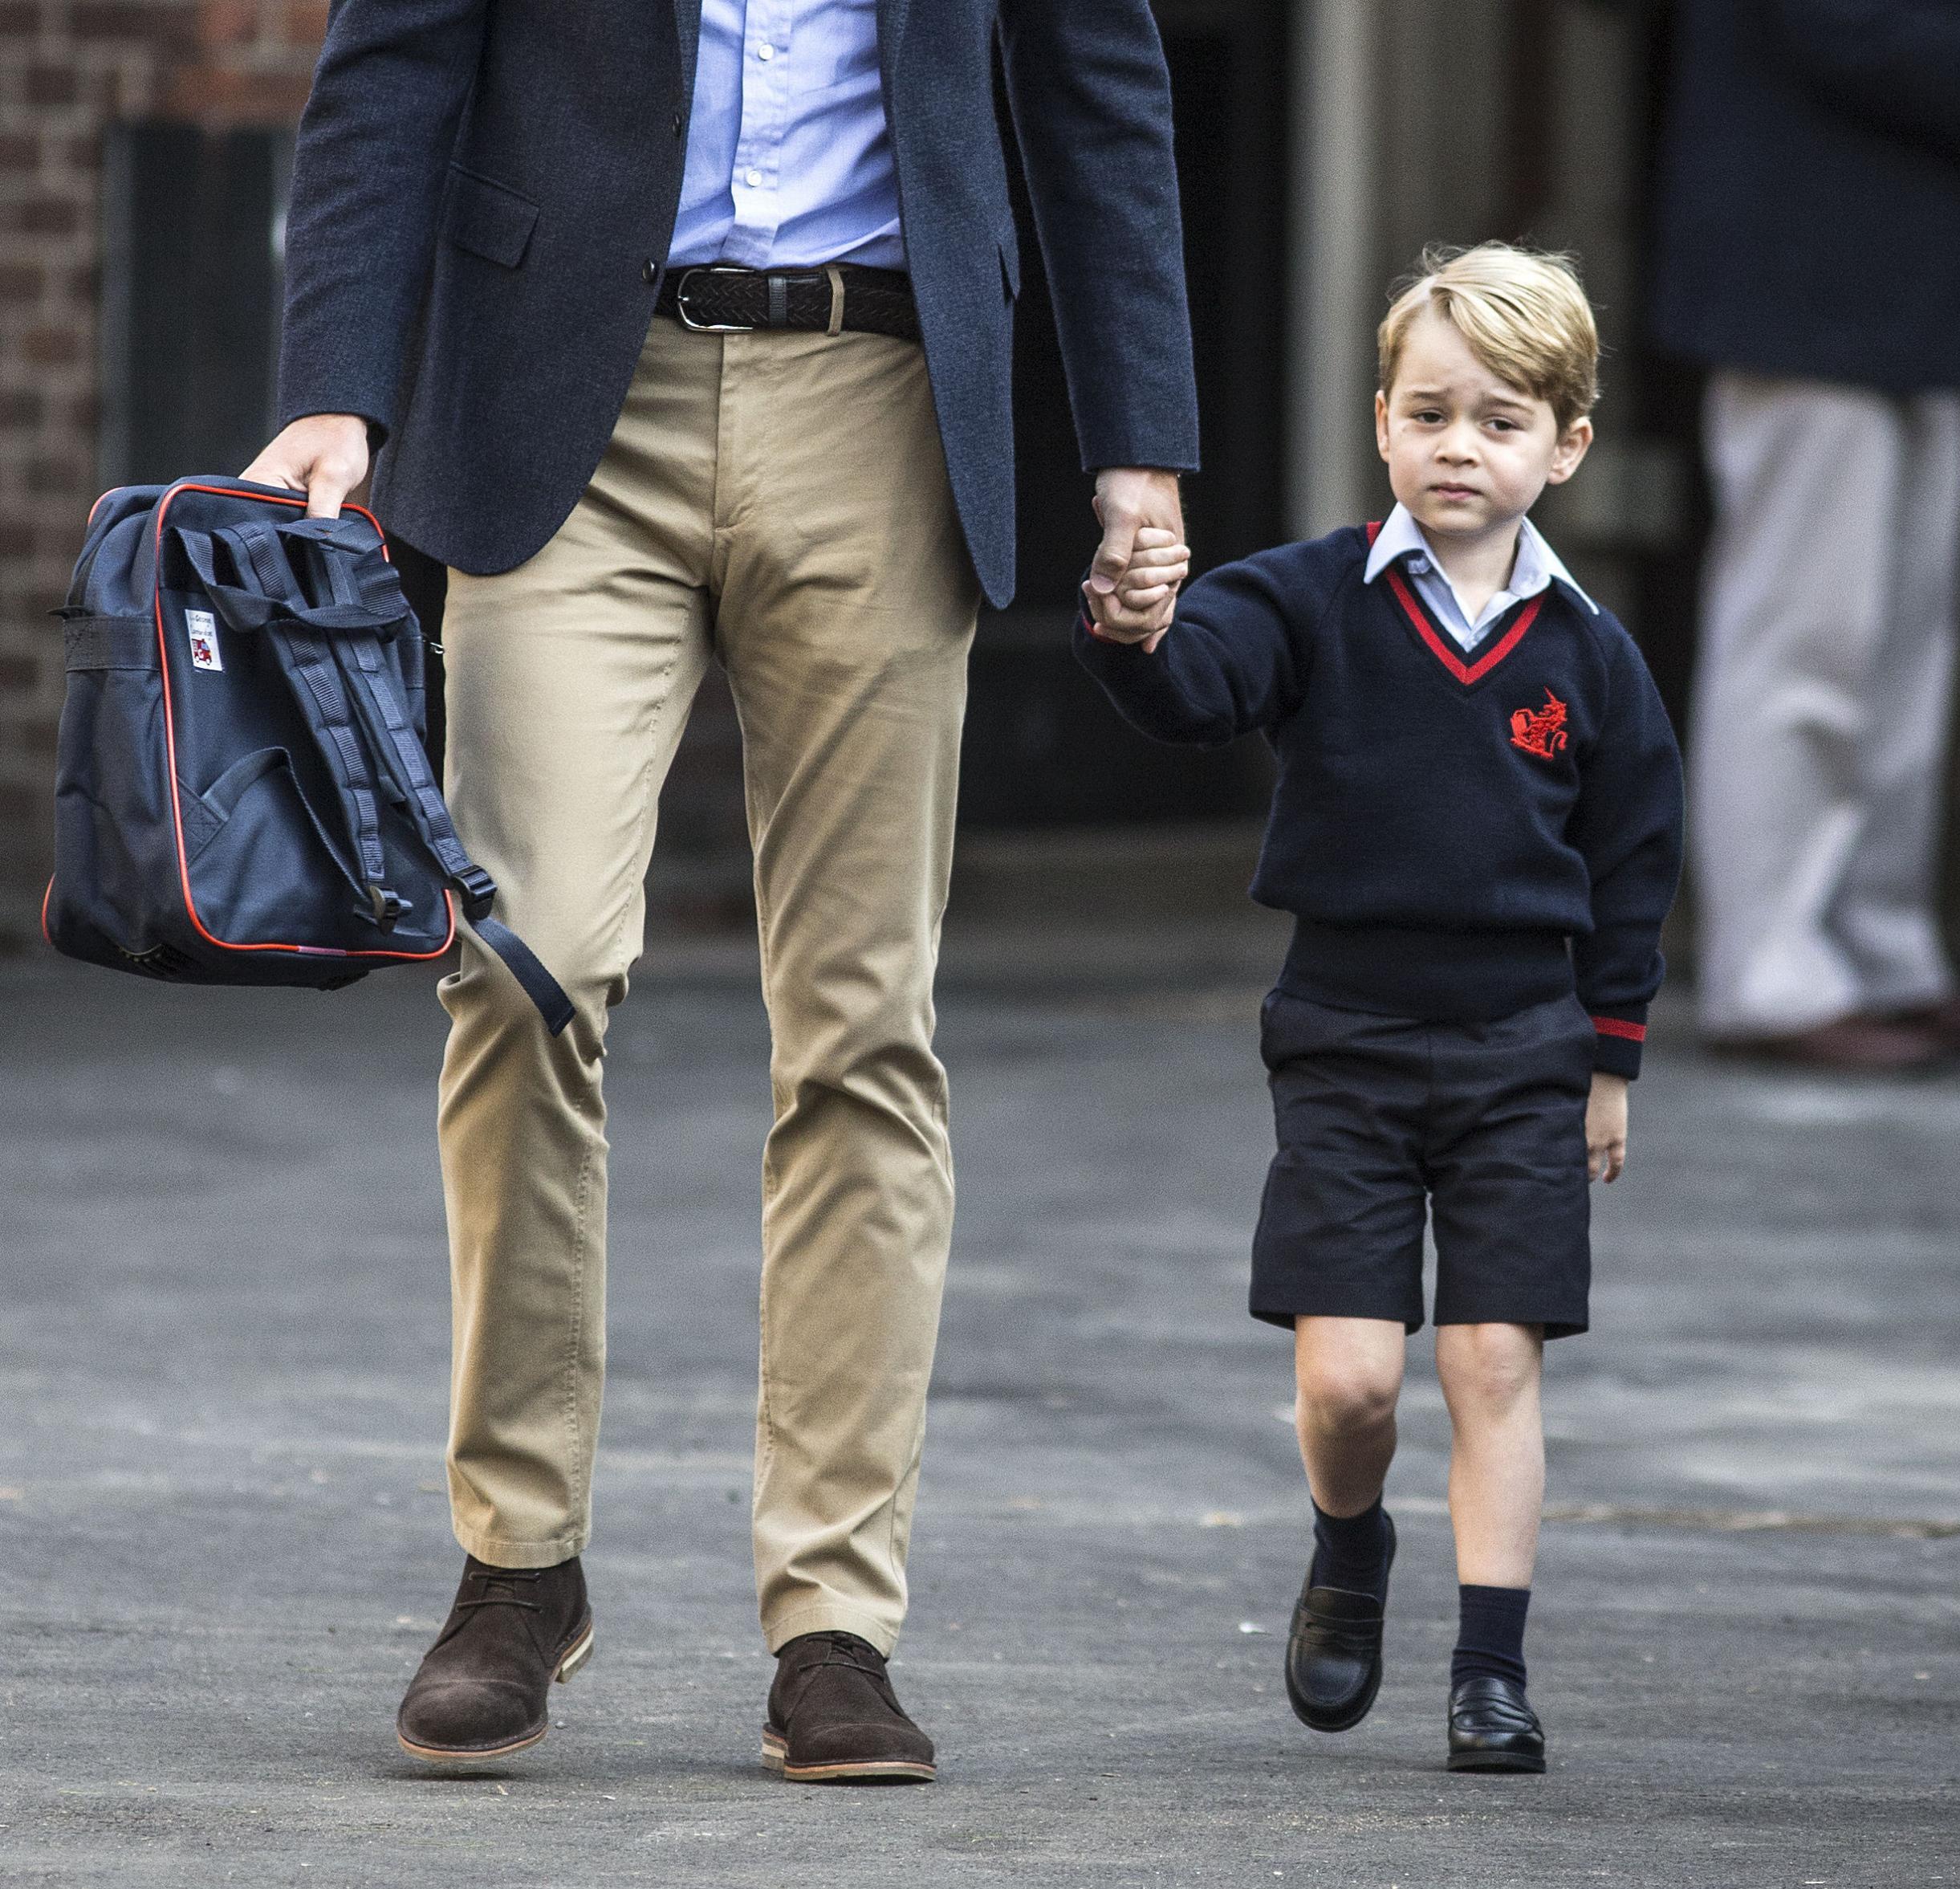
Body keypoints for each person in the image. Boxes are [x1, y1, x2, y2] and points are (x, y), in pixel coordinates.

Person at [244, 0, 1198, 1781]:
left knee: (861, 1025)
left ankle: (834, 1620)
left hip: (884, 392)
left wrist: (1135, 440)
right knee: (523, 967)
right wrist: (332, 387)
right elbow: (394, 60)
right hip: (561, 401)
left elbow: (1094, 76)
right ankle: (517, 1562)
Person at [1076, 245, 1684, 1772]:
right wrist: (1139, 631)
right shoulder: (1309, 599)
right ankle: (1351, 1544)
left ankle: (1492, 1671)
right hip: (1345, 1040)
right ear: (1380, 424)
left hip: (1526, 1054)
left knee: (1493, 1360)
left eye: (1499, 420)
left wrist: (1610, 1060)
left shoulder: (1592, 661)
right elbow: (1197, 685)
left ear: (1568, 447)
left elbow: (1634, 863)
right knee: (1350, 1380)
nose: (1459, 448)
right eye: (1430, 415)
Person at [1651, 0, 1960, 1068]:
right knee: (1806, 635)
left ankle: (1877, 952)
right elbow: (1849, 23)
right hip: (1809, 258)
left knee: (1904, 643)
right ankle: (1773, 969)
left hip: (1913, 271)